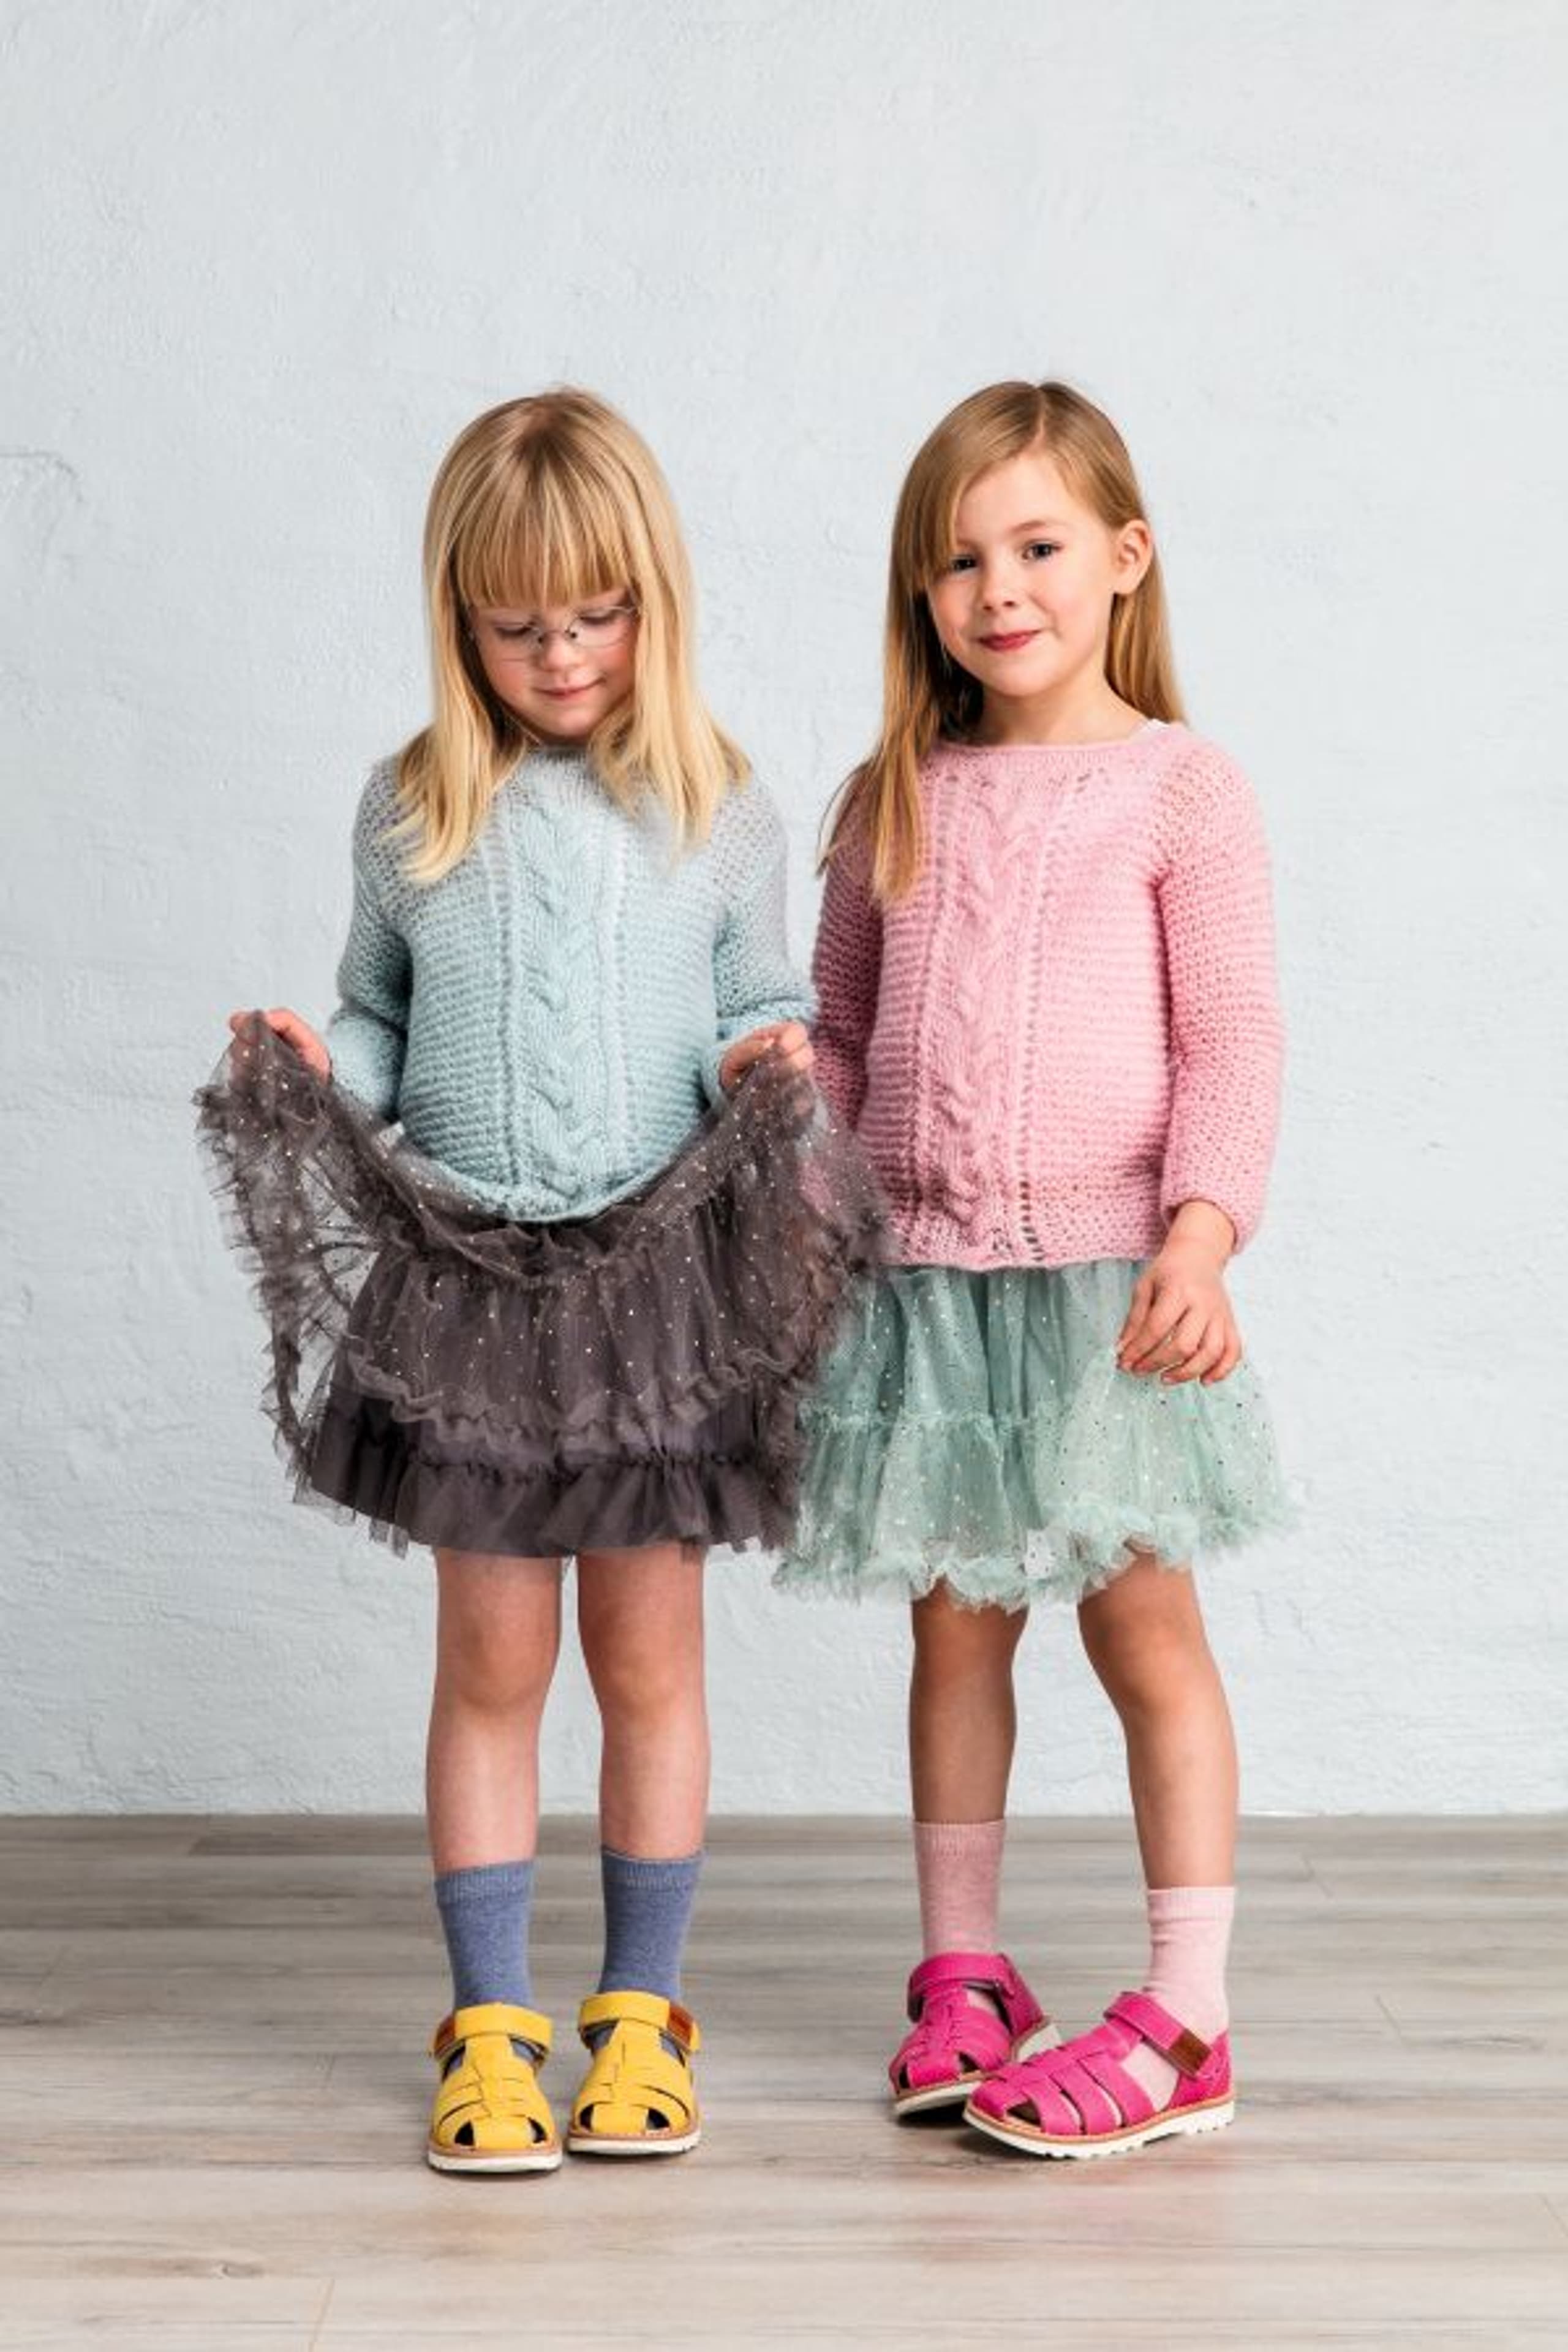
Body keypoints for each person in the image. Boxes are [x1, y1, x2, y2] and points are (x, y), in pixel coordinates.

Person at [197, 388, 880, 2174]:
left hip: (658, 1288)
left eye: (598, 615)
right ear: (460, 621)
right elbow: (377, 1013)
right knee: (493, 1660)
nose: (562, 656)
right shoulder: (412, 805)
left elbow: (757, 1001)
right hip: (470, 1286)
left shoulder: (720, 803)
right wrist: (322, 1065)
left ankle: (641, 2010)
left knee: (648, 1659)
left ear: (657, 602)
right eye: (518, 626)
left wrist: (766, 1058)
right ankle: (489, 2023)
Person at [779, 379, 1289, 2159]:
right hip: (923, 1285)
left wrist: (1203, 1238)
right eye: (958, 561)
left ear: (1125, 557)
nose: (999, 590)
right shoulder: (891, 796)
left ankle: (1190, 2011)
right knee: (952, 1627)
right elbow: (841, 1037)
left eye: (1039, 547)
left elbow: (1231, 1041)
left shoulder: (1182, 789)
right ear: (921, 593)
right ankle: (967, 1972)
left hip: (1110, 1288)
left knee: (1144, 1628)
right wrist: (813, 1197)